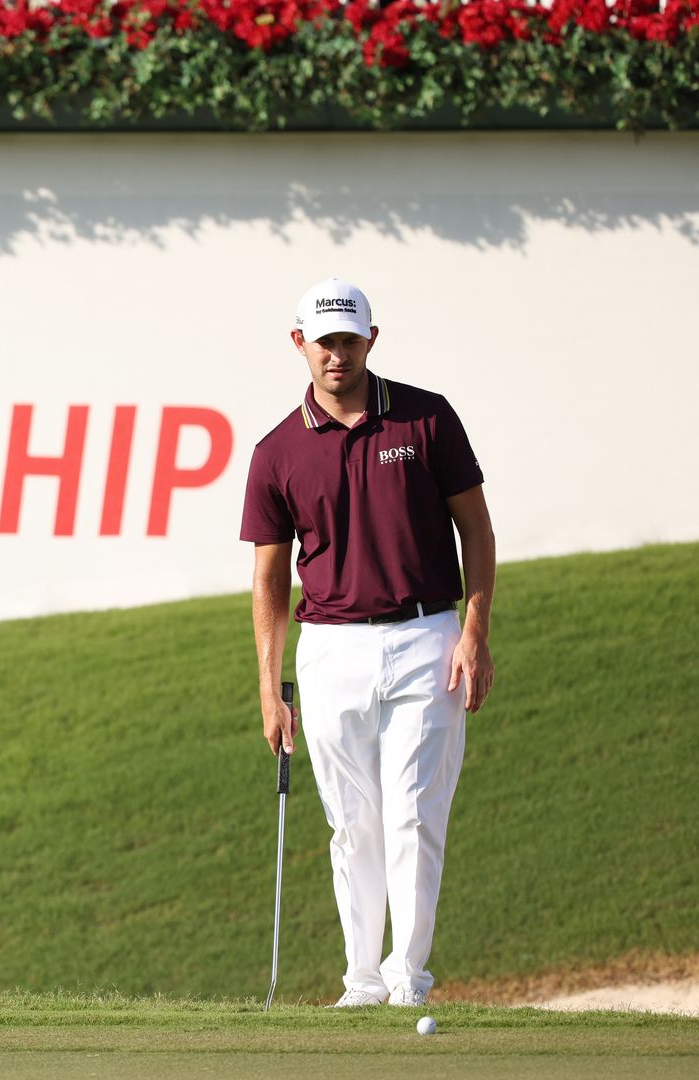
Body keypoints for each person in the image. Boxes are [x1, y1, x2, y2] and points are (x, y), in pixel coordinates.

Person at [241, 277, 496, 1009]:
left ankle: (407, 977)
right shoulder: (276, 451)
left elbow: (475, 529)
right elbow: (267, 581)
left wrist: (474, 631)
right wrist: (269, 689)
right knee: (352, 823)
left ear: (370, 340)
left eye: (349, 340)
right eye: (324, 342)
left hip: (427, 637)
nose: (337, 355)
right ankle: (359, 982)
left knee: (415, 810)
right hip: (328, 649)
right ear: (300, 344)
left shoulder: (426, 418)